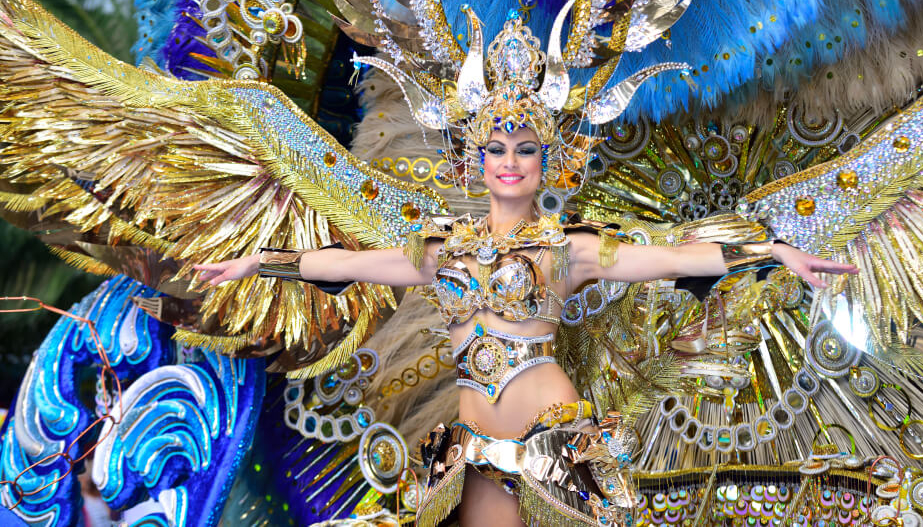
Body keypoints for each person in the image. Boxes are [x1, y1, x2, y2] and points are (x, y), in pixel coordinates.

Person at [196, 113, 857, 526]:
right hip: (469, 446)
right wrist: (259, 262)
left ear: (546, 162)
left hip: (555, 444)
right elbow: (343, 265)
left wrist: (772, 252)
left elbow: (675, 255)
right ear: (475, 162)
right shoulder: (440, 251)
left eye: (524, 148)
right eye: (496, 148)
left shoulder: (568, 249)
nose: (509, 161)